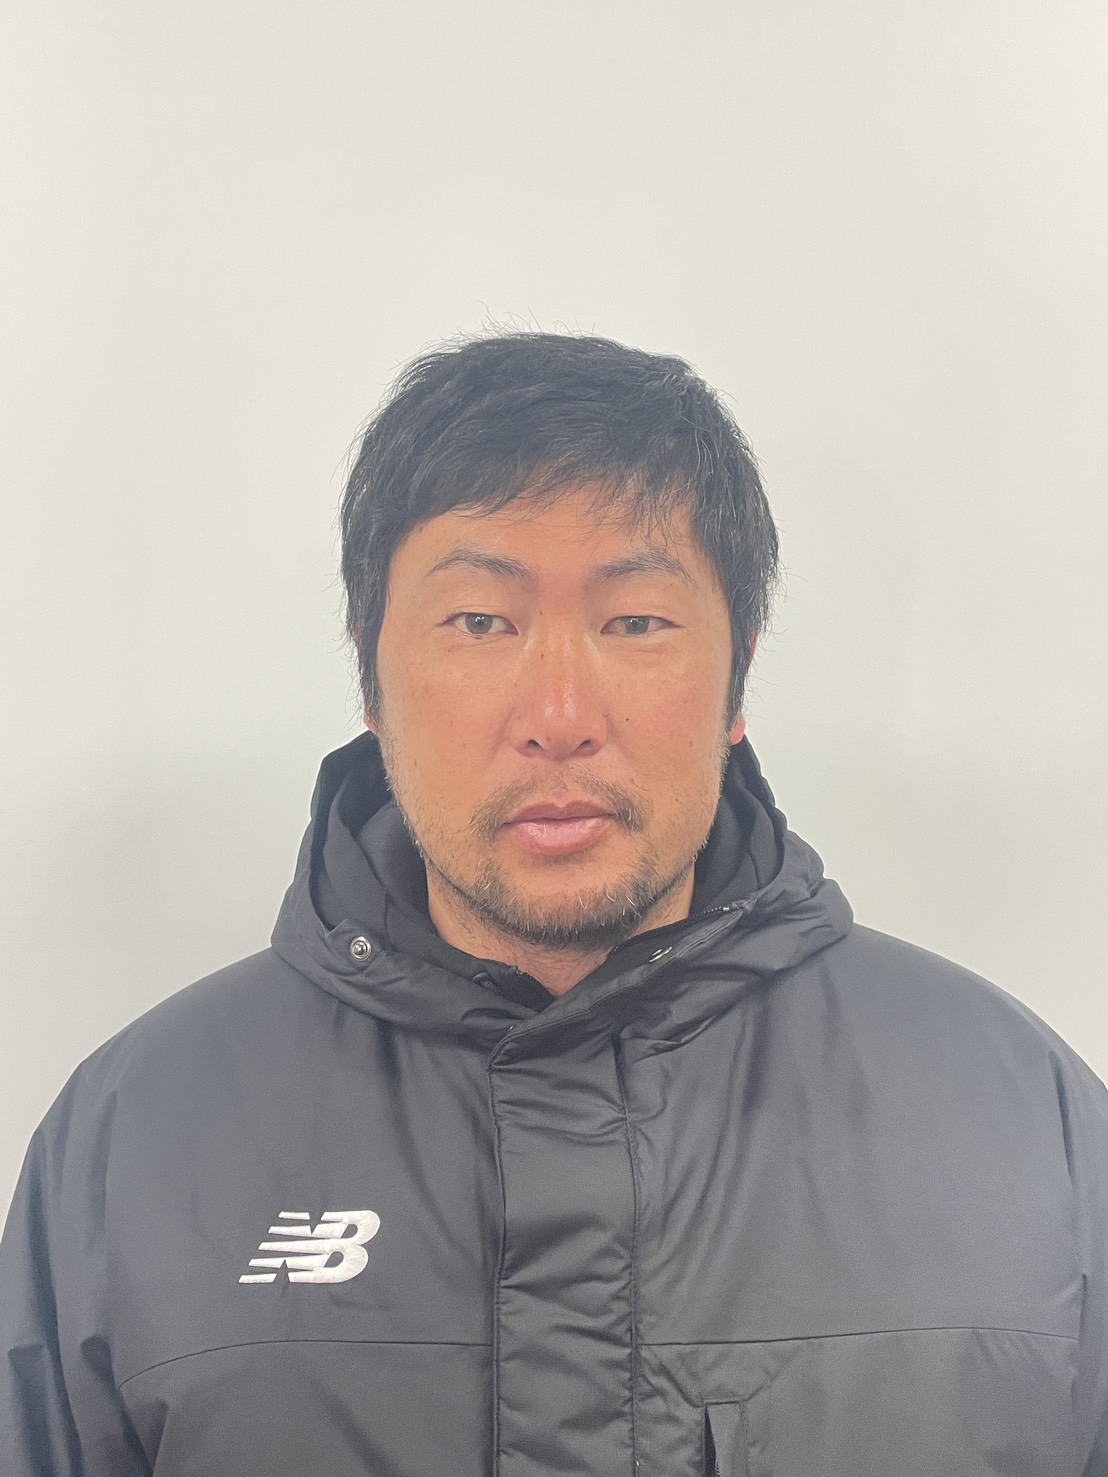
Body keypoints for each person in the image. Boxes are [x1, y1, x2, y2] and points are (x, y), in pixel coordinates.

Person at [2, 332, 1106, 1477]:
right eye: (481, 621)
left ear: (736, 677)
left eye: (635, 621)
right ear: (371, 675)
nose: (560, 716)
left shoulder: (1028, 1129)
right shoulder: (135, 1142)